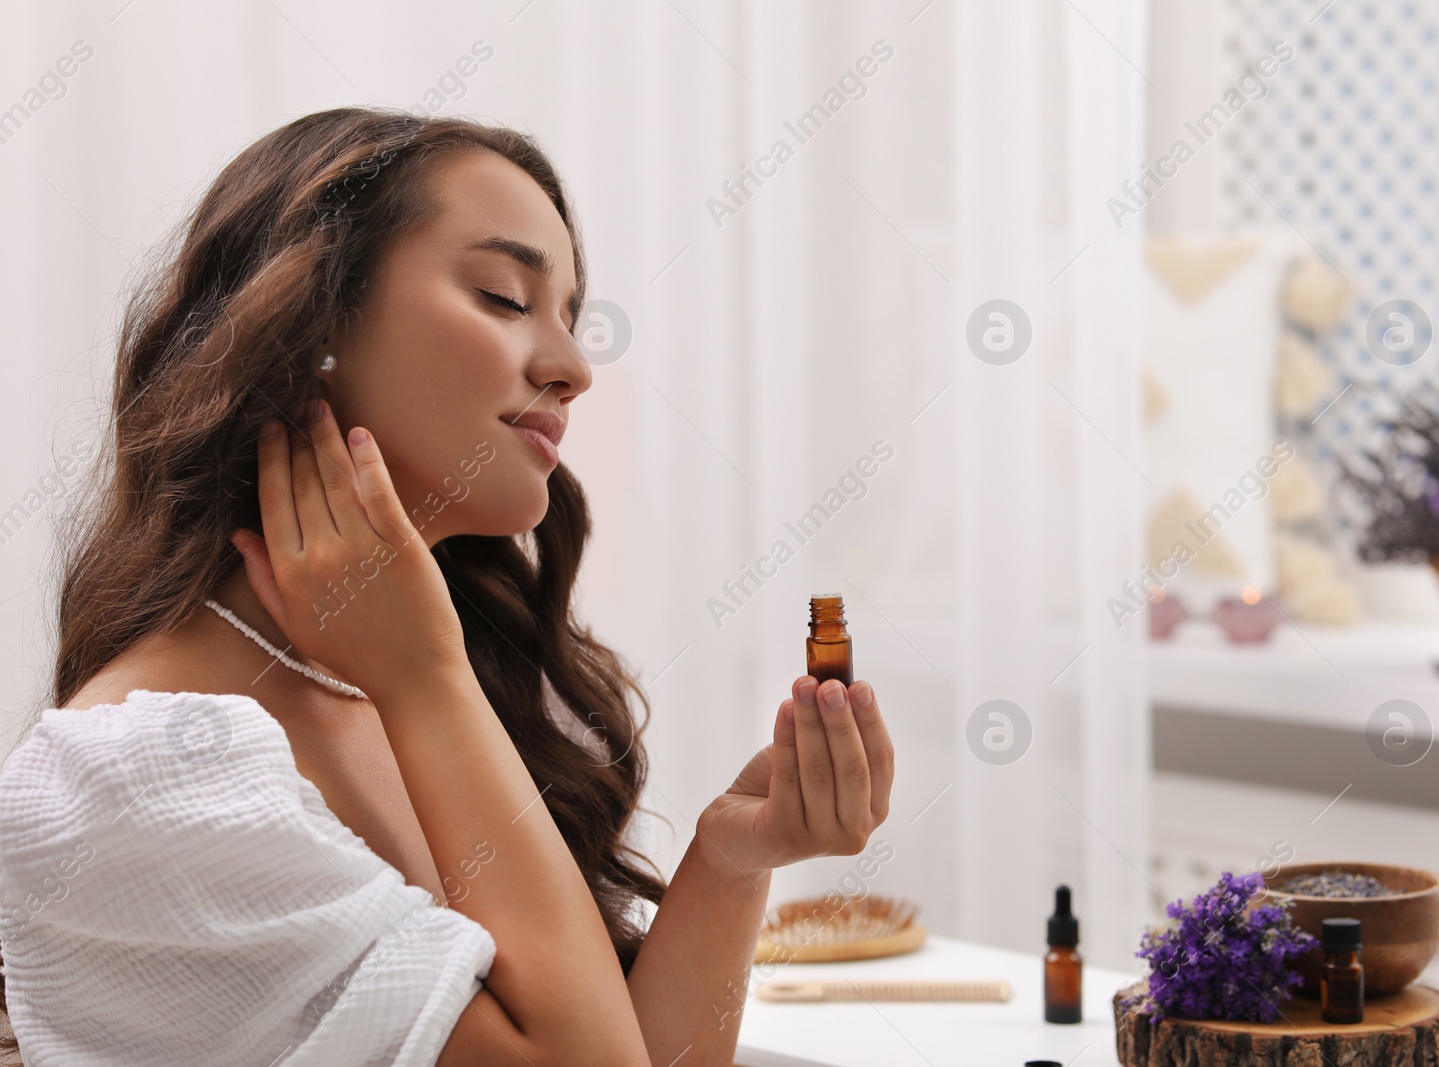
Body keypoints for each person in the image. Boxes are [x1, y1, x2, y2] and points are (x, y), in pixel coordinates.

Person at [0, 107, 895, 1067]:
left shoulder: (408, 674)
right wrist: (427, 678)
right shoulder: (143, 780)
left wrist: (726, 859)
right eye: (506, 297)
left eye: (570, 318)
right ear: (309, 322)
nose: (572, 368)